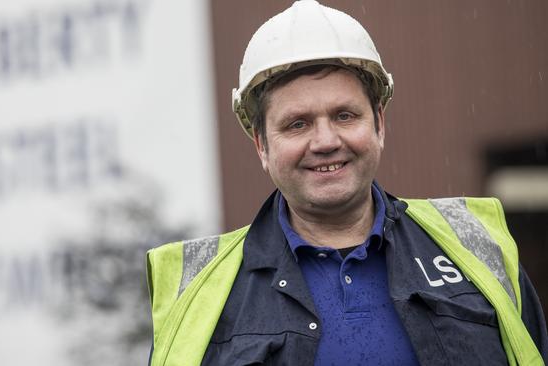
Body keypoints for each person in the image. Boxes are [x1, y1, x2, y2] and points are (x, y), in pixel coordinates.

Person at [146, 1, 548, 365]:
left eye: (344, 116)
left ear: (379, 124)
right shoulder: (200, 290)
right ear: (262, 146)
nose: (325, 142)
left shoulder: (473, 247)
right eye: (297, 124)